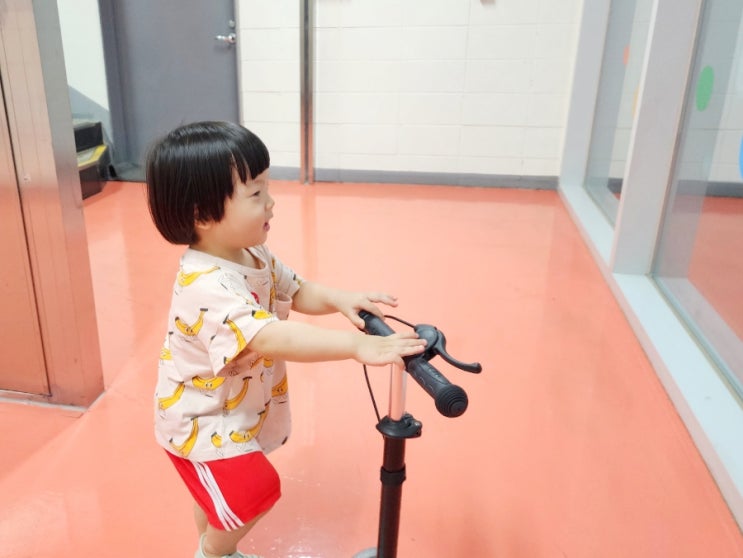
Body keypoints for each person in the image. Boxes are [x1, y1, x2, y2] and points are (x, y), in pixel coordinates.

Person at [145, 121, 425, 558]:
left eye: (267, 187)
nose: (271, 202)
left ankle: (216, 546)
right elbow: (271, 337)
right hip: (201, 420)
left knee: (219, 498)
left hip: (235, 407)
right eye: (256, 194)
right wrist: (355, 347)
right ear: (202, 215)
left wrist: (339, 299)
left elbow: (294, 290)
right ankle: (213, 554)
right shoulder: (205, 283)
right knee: (254, 492)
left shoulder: (252, 252)